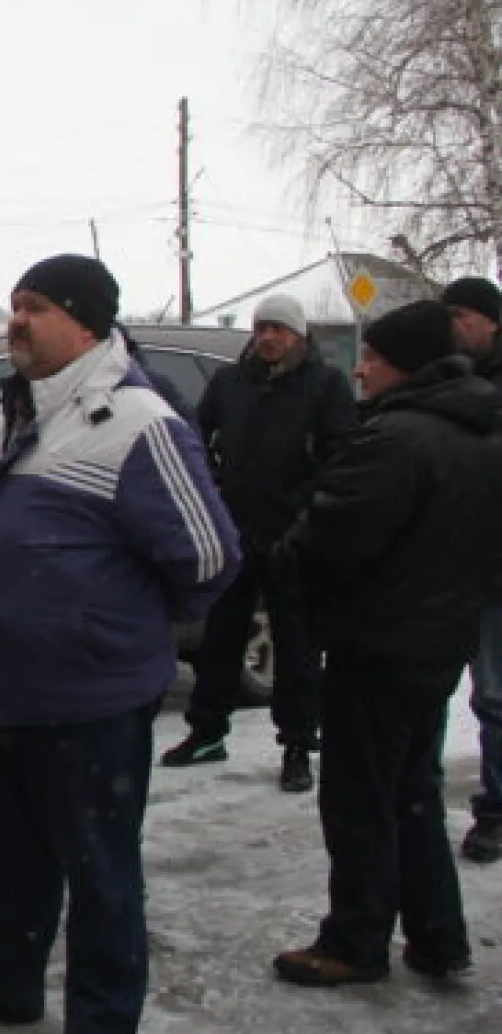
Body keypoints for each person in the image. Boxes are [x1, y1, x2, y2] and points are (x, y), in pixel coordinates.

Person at [0, 255, 238, 1034]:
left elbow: (208, 556)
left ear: (87, 322)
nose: (15, 321)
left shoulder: (136, 420)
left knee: (99, 870)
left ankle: (98, 1032)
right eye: (14, 304)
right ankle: (10, 985)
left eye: (35, 308)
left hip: (88, 700)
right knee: (5, 854)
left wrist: (105, 627)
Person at [270, 302, 502, 986]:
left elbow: (330, 538)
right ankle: (436, 938)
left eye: (371, 357)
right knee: (412, 795)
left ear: (404, 363)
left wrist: (290, 563)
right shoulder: (481, 429)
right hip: (436, 643)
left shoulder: (400, 438)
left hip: (376, 643)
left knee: (361, 800)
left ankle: (355, 939)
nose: (360, 369)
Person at [161, 293, 355, 791]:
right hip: (235, 531)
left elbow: (340, 460)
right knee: (219, 641)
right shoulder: (230, 383)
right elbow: (197, 442)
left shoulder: (325, 385)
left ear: (299, 335)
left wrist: (303, 514)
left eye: (280, 329)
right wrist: (215, 496)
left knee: (296, 648)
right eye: (262, 328)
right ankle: (207, 732)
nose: (269, 337)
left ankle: (296, 746)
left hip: (294, 539)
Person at [443, 276, 502, 864]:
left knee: (493, 696)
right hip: (445, 566)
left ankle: (496, 811)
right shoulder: (448, 380)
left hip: (493, 570)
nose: (452, 326)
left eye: (462, 315)